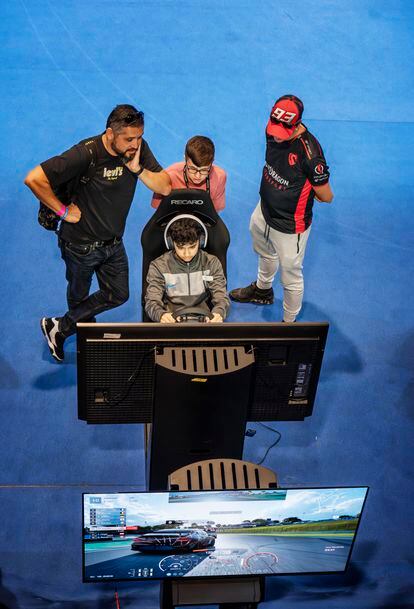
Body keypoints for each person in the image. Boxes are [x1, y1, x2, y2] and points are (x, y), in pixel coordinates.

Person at [24, 104, 171, 361]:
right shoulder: (85, 153)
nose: (135, 144)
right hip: (79, 245)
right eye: (129, 139)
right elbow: (34, 178)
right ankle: (77, 335)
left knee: (119, 294)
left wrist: (138, 169)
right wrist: (62, 212)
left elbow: (165, 186)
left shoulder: (138, 149)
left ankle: (59, 326)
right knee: (79, 296)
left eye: (139, 137)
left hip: (114, 243)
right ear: (110, 133)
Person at [229, 95, 333, 322]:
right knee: (264, 252)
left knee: (291, 276)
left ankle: (289, 323)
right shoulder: (272, 130)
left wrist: (302, 187)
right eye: (274, 128)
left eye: (282, 132)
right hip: (264, 210)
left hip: (290, 225)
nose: (275, 136)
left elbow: (326, 196)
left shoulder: (311, 155)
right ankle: (262, 290)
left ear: (296, 125)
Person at [145, 217, 229, 323]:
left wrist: (219, 312)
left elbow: (221, 296)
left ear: (201, 241)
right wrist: (160, 314)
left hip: (205, 320)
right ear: (171, 243)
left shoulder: (211, 262)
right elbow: (151, 300)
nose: (187, 254)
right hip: (172, 321)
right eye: (180, 247)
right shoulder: (159, 266)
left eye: (192, 247)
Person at [151, 135, 226, 212]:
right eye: (193, 169)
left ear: (212, 162)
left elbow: (214, 213)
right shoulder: (168, 176)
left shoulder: (220, 176)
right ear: (185, 159)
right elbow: (159, 213)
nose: (198, 176)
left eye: (204, 170)